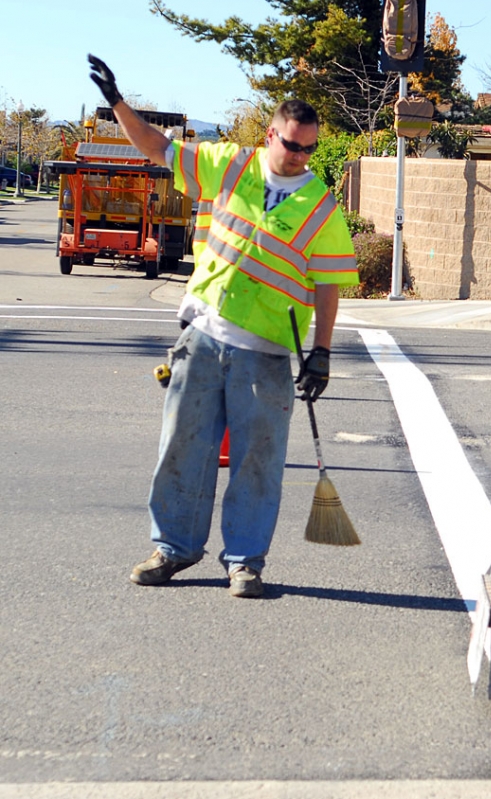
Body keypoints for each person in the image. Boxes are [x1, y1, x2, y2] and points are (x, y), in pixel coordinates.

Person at [86, 54, 360, 599]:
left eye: (307, 147)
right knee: (182, 447)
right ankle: (174, 549)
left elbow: (328, 283)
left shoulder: (320, 204)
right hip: (202, 336)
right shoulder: (230, 164)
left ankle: (244, 563)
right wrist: (119, 104)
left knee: (258, 462)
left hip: (266, 351)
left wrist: (322, 351)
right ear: (270, 135)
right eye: (290, 143)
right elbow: (160, 149)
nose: (299, 154)